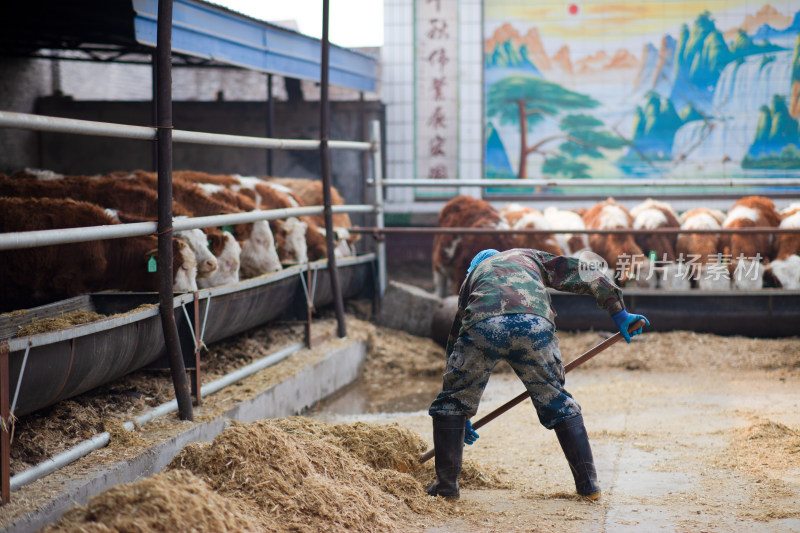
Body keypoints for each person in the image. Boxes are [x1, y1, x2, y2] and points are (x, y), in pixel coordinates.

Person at [427, 248, 649, 500]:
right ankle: (589, 487)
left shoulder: (473, 278)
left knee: (451, 404)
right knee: (559, 402)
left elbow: (456, 338)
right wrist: (619, 312)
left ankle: (446, 487)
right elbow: (584, 272)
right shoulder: (527, 257)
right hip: (533, 322)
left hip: (483, 323)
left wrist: (458, 411)